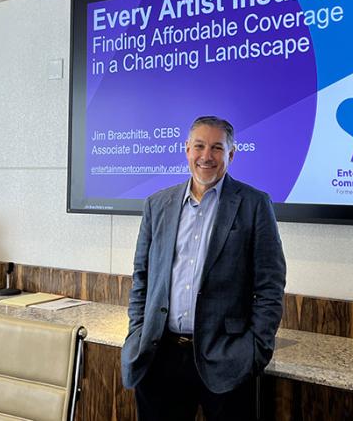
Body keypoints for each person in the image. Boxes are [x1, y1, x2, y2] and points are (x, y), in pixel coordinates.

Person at [121, 115, 287, 421]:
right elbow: (142, 278)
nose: (206, 156)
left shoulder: (254, 204)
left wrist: (255, 351)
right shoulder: (157, 205)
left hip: (227, 358)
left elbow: (270, 285)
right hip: (161, 356)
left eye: (216, 148)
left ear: (231, 154)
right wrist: (137, 333)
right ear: (186, 149)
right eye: (199, 146)